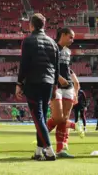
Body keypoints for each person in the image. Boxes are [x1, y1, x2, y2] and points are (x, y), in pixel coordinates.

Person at [15, 13, 59, 161]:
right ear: (44, 25)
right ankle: (39, 151)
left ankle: (49, 150)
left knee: (38, 117)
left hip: (33, 82)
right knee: (41, 117)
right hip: (48, 82)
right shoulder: (53, 43)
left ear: (31, 25)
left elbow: (24, 64)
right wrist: (55, 86)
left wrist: (19, 83)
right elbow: (56, 67)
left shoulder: (28, 41)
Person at [46, 27, 80, 158]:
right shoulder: (53, 48)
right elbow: (49, 67)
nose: (72, 40)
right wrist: (59, 78)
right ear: (63, 35)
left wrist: (73, 83)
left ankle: (60, 150)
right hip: (56, 86)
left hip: (69, 87)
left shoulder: (68, 51)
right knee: (58, 117)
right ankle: (41, 137)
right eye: (70, 37)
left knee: (63, 119)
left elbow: (67, 68)